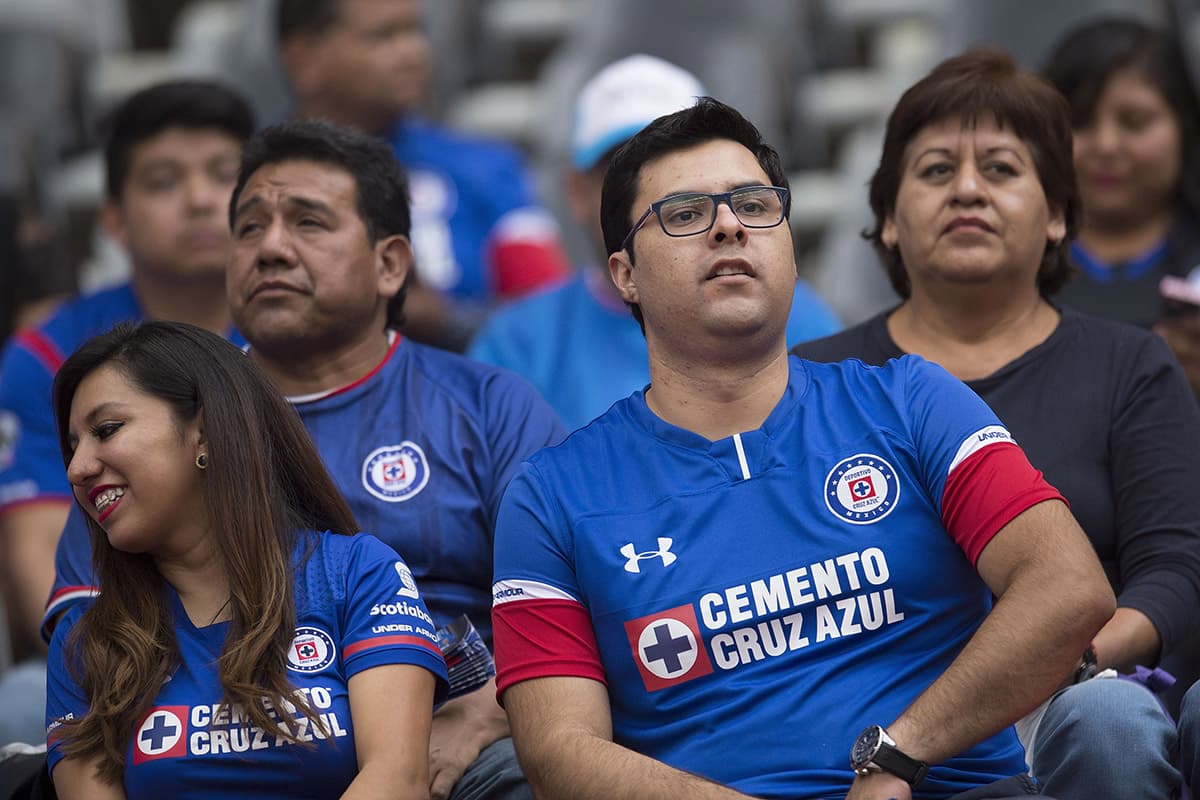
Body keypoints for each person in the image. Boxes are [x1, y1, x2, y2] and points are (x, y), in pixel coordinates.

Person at [490, 97, 1114, 800]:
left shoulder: (909, 400)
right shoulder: (552, 494)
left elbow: (1067, 587)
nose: (729, 225)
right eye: (686, 214)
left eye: (755, 205)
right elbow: (557, 750)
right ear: (624, 274)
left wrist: (898, 755)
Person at [49, 119, 564, 800]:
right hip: (206, 730)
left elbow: (575, 610)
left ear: (390, 264)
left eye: (309, 223)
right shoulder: (147, 432)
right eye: (249, 228)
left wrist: (484, 711)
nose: (271, 249)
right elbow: (94, 660)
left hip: (465, 731)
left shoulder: (489, 405)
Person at [793, 50, 1200, 800]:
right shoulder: (809, 381)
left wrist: (1052, 670)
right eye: (937, 170)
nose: (969, 189)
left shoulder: (1130, 364)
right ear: (887, 219)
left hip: (1085, 713)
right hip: (871, 734)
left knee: (1109, 724)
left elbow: (1176, 569)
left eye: (1004, 170)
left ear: (1056, 216)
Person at [45, 320, 447, 799]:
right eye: (72, 448)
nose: (77, 469)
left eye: (106, 430)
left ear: (206, 431)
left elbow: (397, 781)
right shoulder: (83, 642)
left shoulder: (358, 574)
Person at [0, 80, 253, 743]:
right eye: (165, 181)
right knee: (21, 703)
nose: (200, 199)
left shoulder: (293, 335)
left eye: (223, 175)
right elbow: (40, 590)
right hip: (126, 646)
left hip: (298, 632)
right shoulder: (49, 353)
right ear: (113, 219)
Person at [468, 54, 841, 432]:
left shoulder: (797, 314)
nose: (652, 191)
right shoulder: (517, 343)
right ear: (577, 192)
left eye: (675, 162)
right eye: (622, 170)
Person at [277, 0, 570, 351]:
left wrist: (444, 320)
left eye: (415, 31)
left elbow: (551, 323)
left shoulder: (489, 167)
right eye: (383, 36)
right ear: (304, 59)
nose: (412, 51)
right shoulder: (245, 181)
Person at [1042, 17, 1200, 393]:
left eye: (1134, 122)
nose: (1107, 145)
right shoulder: (1011, 269)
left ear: (1185, 128)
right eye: (1079, 123)